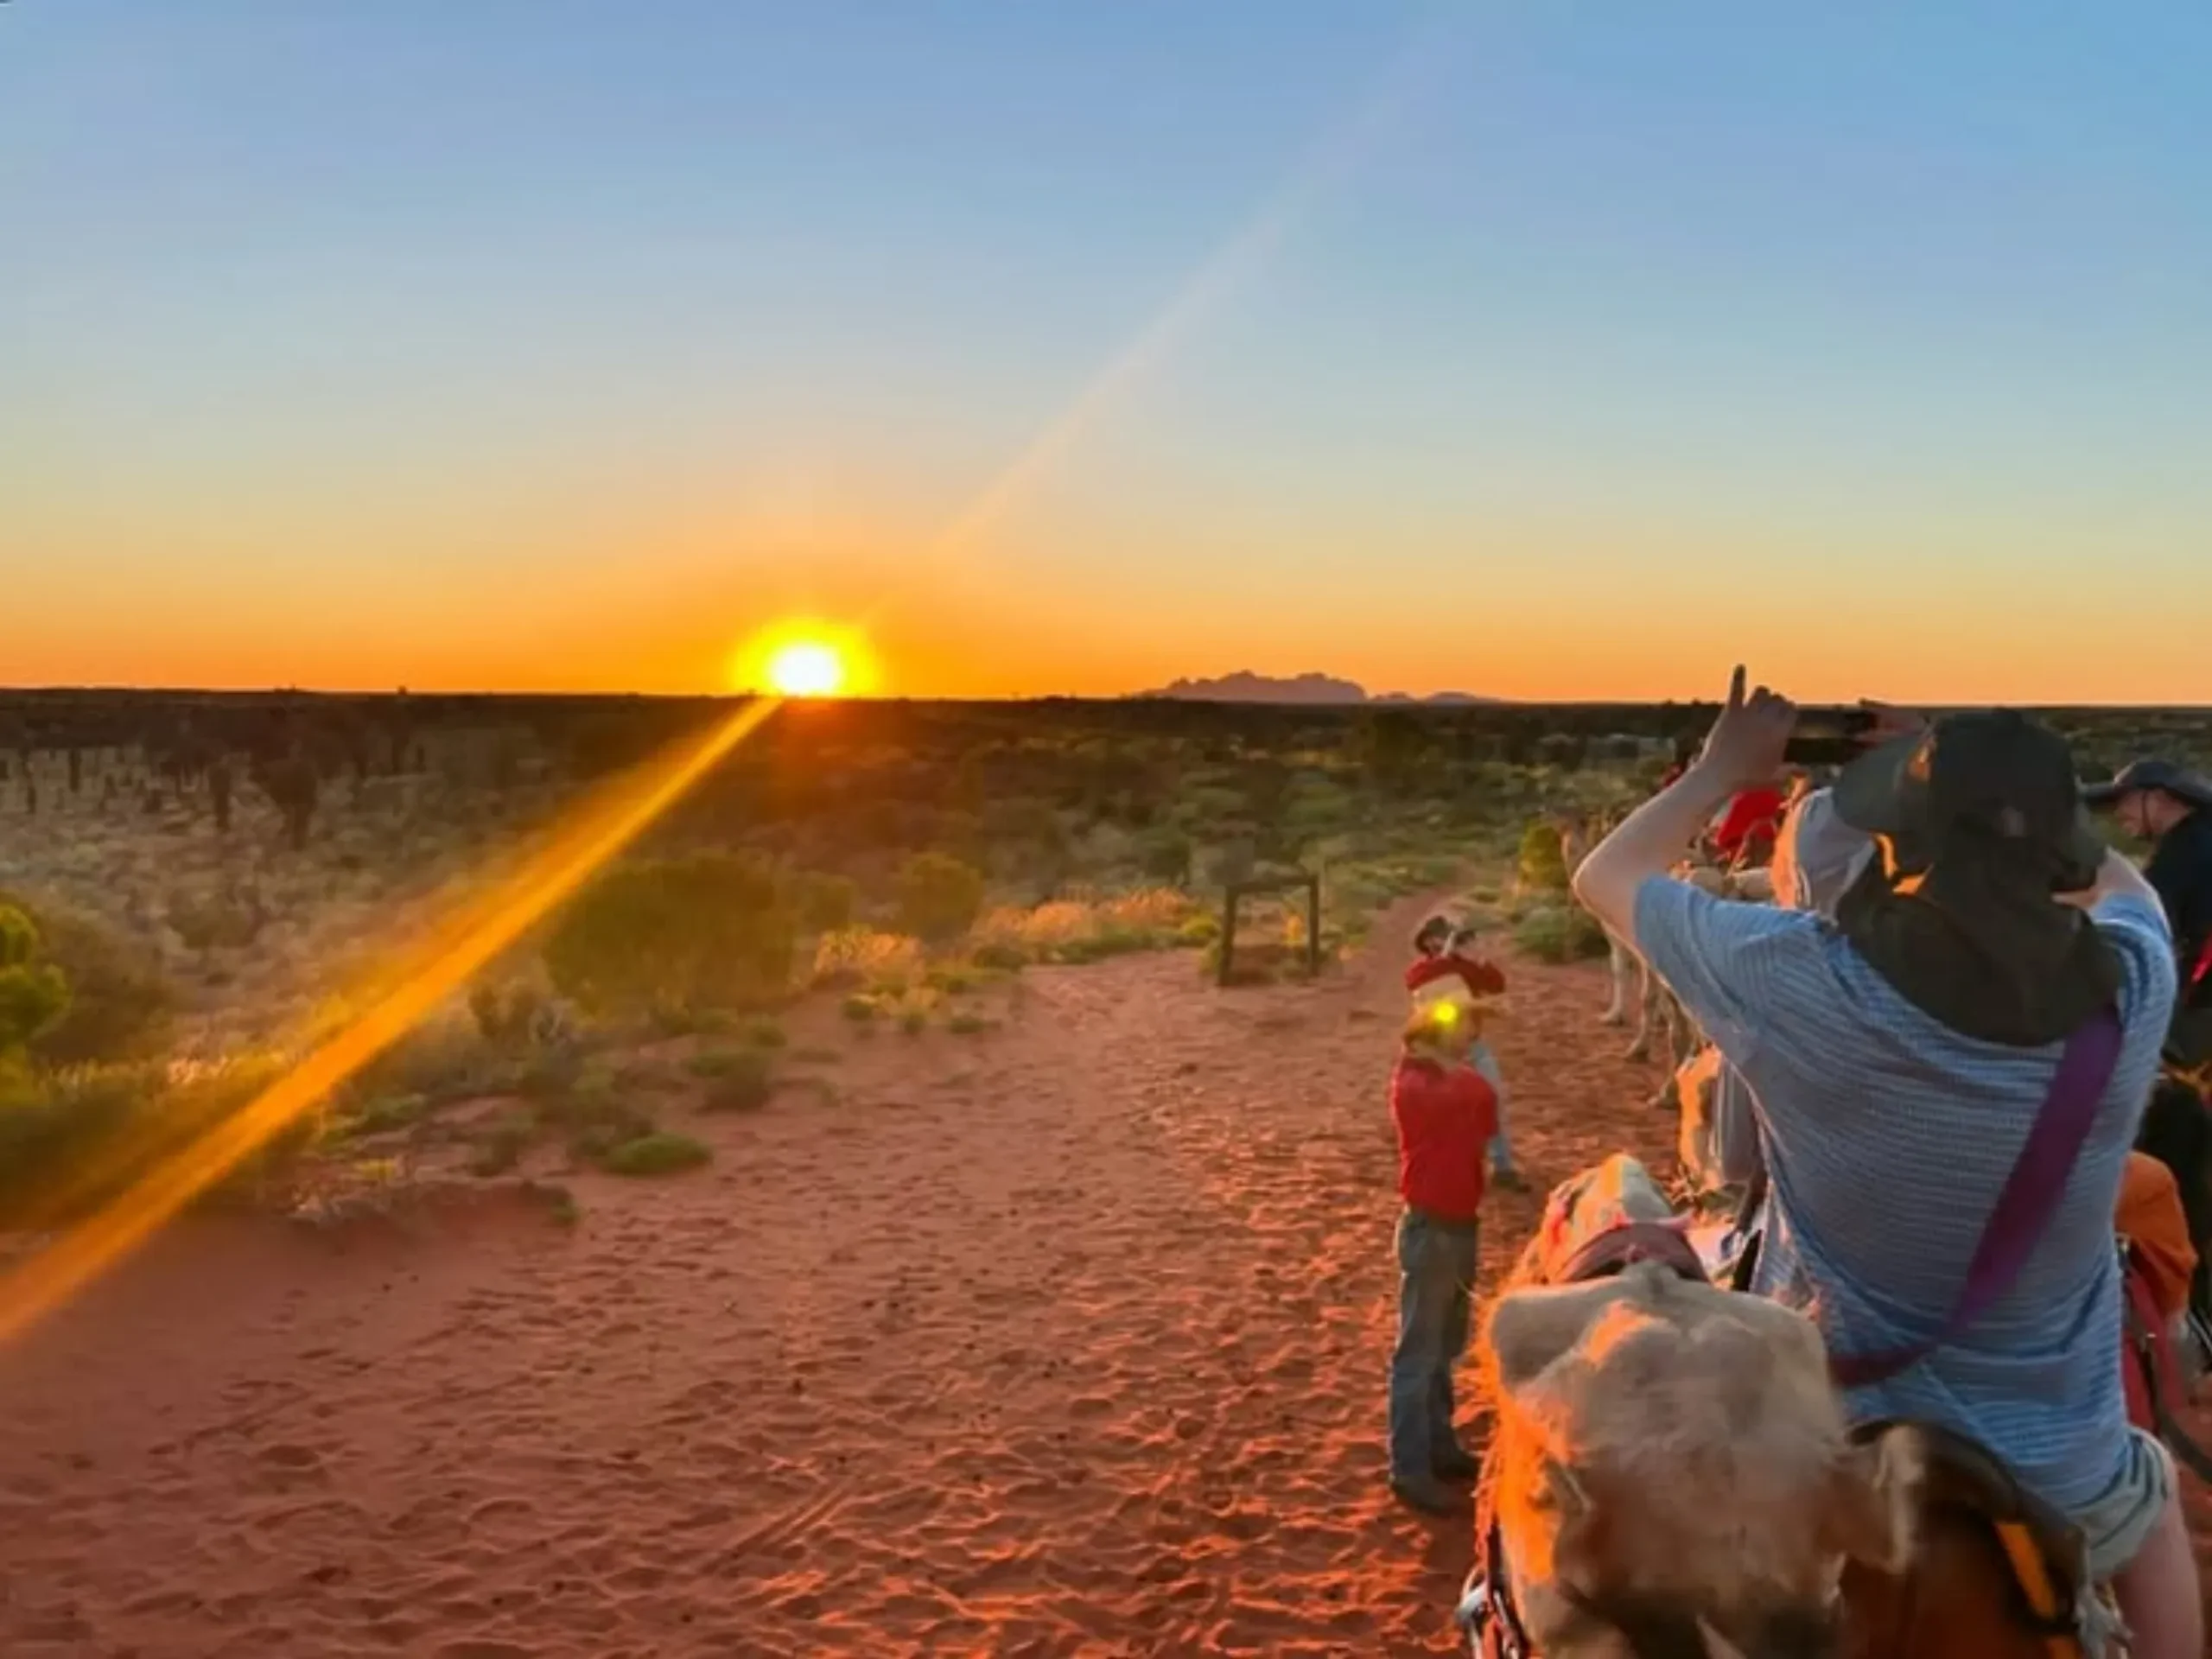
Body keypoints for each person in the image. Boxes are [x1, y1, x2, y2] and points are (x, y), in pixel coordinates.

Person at [1571, 669, 2199, 1659]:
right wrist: (2012, 801)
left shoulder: (1793, 976)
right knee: (2151, 1495)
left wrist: (1720, 771)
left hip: (1826, 1442)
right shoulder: (2130, 986)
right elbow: (2126, 895)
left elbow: (1603, 877)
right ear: (2056, 849)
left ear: (1896, 844)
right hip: (2058, 1458)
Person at [1387, 958, 1501, 1516]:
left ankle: (1438, 1447)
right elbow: (1482, 1107)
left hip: (1453, 1223)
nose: (1473, 1032)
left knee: (1441, 1348)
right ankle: (1409, 1467)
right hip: (1434, 1226)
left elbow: (1482, 1115)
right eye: (1464, 1021)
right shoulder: (1418, 1083)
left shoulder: (1431, 1078)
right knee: (1419, 1353)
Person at [2083, 759, 2212, 1068]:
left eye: (2124, 800)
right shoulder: (2200, 838)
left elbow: (2143, 934)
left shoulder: (2180, 855)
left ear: (2159, 797)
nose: (2118, 814)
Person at [1408, 917, 1524, 1191]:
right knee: (1444, 1113)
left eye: (1452, 935)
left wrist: (1479, 959)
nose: (1449, 940)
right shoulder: (1424, 969)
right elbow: (1415, 981)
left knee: (1492, 1101)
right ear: (1428, 941)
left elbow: (1497, 985)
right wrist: (1448, 958)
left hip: (1471, 1045)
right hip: (1439, 1052)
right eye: (1443, 935)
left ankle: (1502, 1166)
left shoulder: (1465, 966)